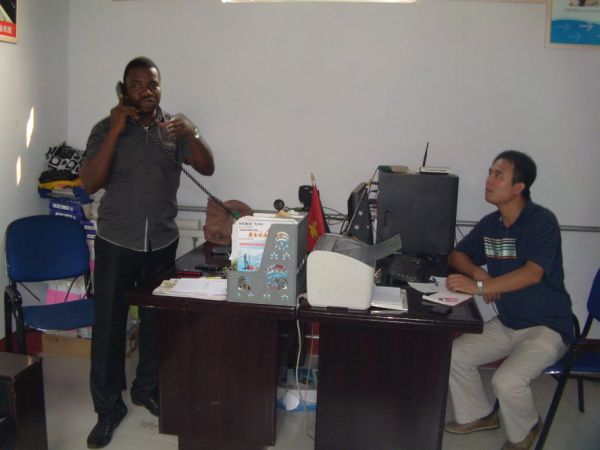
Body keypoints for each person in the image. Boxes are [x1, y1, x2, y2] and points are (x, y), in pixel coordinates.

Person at [80, 56, 214, 449]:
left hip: (161, 242)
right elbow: (89, 182)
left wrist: (194, 132)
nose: (146, 91)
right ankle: (108, 409)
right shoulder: (105, 128)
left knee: (157, 324)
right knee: (108, 329)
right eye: (136, 84)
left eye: (152, 83)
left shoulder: (173, 129)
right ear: (124, 90)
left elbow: (207, 167)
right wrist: (116, 128)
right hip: (116, 243)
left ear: (160, 87)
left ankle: (147, 389)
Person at [443, 150, 573, 450]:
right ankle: (479, 415)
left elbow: (532, 274)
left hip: (547, 327)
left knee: (506, 381)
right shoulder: (492, 224)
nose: (489, 180)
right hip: (508, 323)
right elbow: (456, 255)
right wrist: (479, 274)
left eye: (498, 175)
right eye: (490, 172)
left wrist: (478, 287)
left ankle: (526, 430)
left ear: (519, 187)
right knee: (454, 354)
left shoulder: (542, 222)